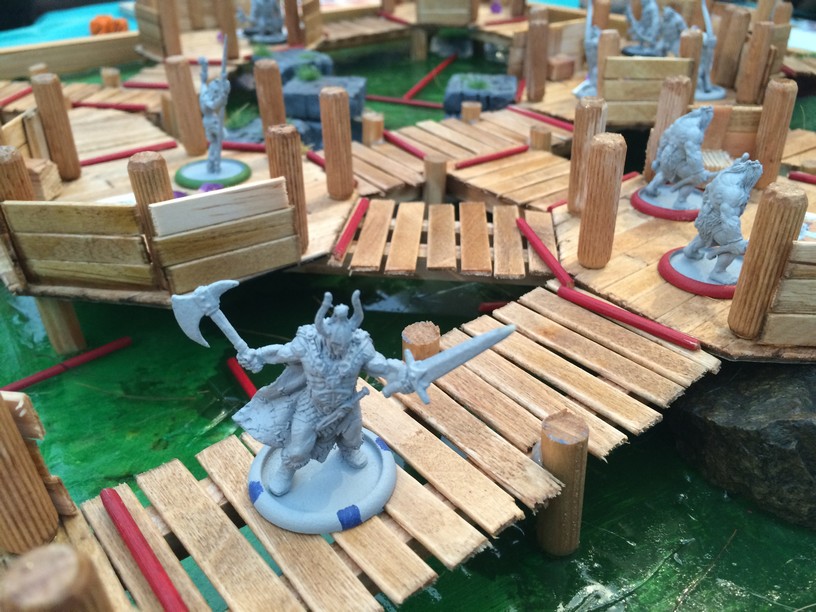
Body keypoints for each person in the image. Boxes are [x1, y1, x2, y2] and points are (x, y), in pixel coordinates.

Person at [233, 291, 413, 495]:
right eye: (335, 345)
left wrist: (403, 375)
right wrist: (257, 356)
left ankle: (348, 451)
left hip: (347, 403)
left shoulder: (360, 344)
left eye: (344, 345)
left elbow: (379, 365)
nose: (339, 350)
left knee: (352, 436)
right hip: (312, 405)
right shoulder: (308, 342)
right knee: (298, 448)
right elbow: (281, 352)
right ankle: (286, 470)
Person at [683, 154, 763, 285]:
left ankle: (691, 250)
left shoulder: (727, 173)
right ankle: (718, 272)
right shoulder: (735, 192)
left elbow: (707, 191)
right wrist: (736, 241)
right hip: (718, 221)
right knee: (732, 246)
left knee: (705, 235)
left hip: (706, 216)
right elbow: (729, 219)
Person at [642, 106, 716, 210]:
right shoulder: (694, 132)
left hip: (666, 155)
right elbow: (693, 154)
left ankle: (651, 188)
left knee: (664, 172)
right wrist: (699, 172)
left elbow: (664, 139)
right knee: (693, 178)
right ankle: (680, 202)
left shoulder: (679, 122)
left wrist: (659, 158)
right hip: (678, 161)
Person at [198, 54, 230, 175]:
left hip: (210, 121)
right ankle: (214, 163)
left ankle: (212, 164)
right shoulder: (206, 99)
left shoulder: (204, 90)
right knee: (221, 138)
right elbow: (214, 105)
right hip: (211, 122)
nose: (216, 93)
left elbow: (203, 80)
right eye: (216, 92)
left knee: (215, 143)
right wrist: (223, 96)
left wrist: (204, 66)